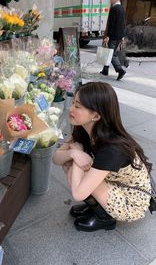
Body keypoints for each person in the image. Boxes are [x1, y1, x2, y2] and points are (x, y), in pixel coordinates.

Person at [53, 82, 152, 232]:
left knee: (76, 169)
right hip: (114, 182)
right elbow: (56, 158)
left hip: (131, 201)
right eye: (73, 102)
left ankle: (104, 218)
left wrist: (78, 160)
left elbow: (78, 194)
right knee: (70, 162)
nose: (70, 108)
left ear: (96, 115)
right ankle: (96, 207)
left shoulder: (112, 148)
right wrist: (74, 153)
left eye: (77, 106)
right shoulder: (83, 130)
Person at [100, 0, 126, 81]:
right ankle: (105, 69)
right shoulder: (122, 8)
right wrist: (122, 36)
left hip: (113, 36)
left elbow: (111, 24)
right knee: (109, 52)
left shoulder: (114, 9)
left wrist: (107, 36)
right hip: (119, 36)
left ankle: (120, 70)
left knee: (110, 53)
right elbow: (123, 24)